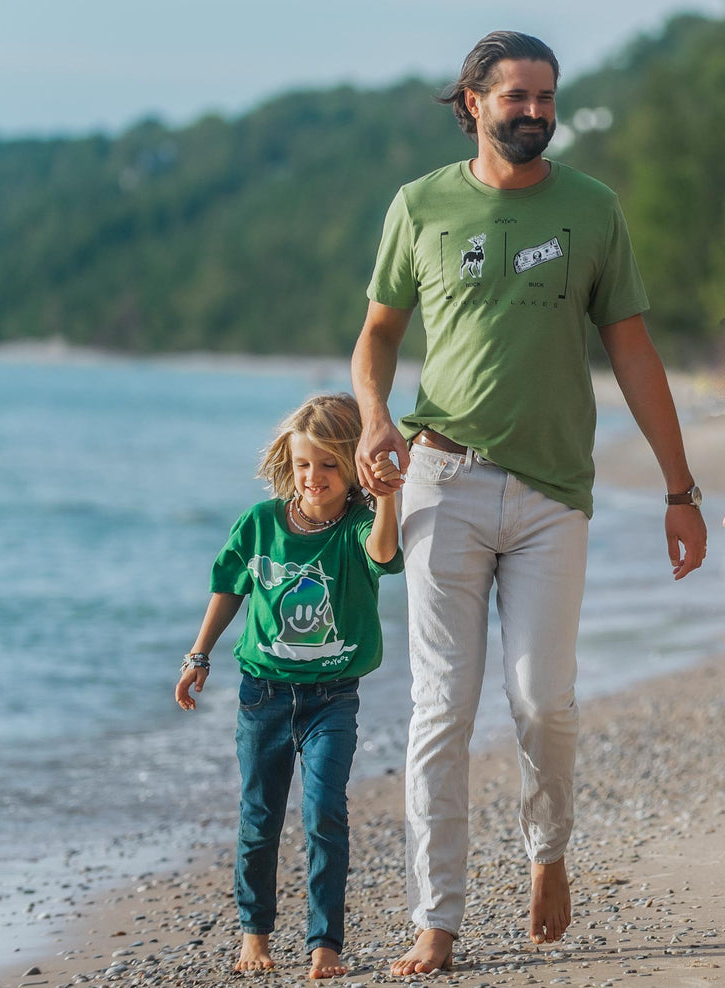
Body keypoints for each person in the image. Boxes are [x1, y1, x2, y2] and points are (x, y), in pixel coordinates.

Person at [350, 30, 708, 977]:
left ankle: (547, 853)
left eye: (547, 98)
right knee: (441, 713)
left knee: (543, 703)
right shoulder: (421, 205)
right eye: (517, 98)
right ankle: (439, 917)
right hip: (442, 480)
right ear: (474, 100)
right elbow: (378, 333)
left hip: (554, 494)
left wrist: (680, 489)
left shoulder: (592, 208)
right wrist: (374, 419)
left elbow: (631, 349)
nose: (536, 113)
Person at [175, 392, 403, 980]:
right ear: (289, 463)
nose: (314, 476)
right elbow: (228, 587)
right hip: (263, 695)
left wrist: (387, 498)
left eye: (329, 464)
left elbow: (384, 553)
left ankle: (325, 942)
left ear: (351, 466)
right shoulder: (259, 524)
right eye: (304, 463)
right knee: (260, 817)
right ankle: (256, 932)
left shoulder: (357, 525)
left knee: (325, 810)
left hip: (333, 697)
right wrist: (199, 654)